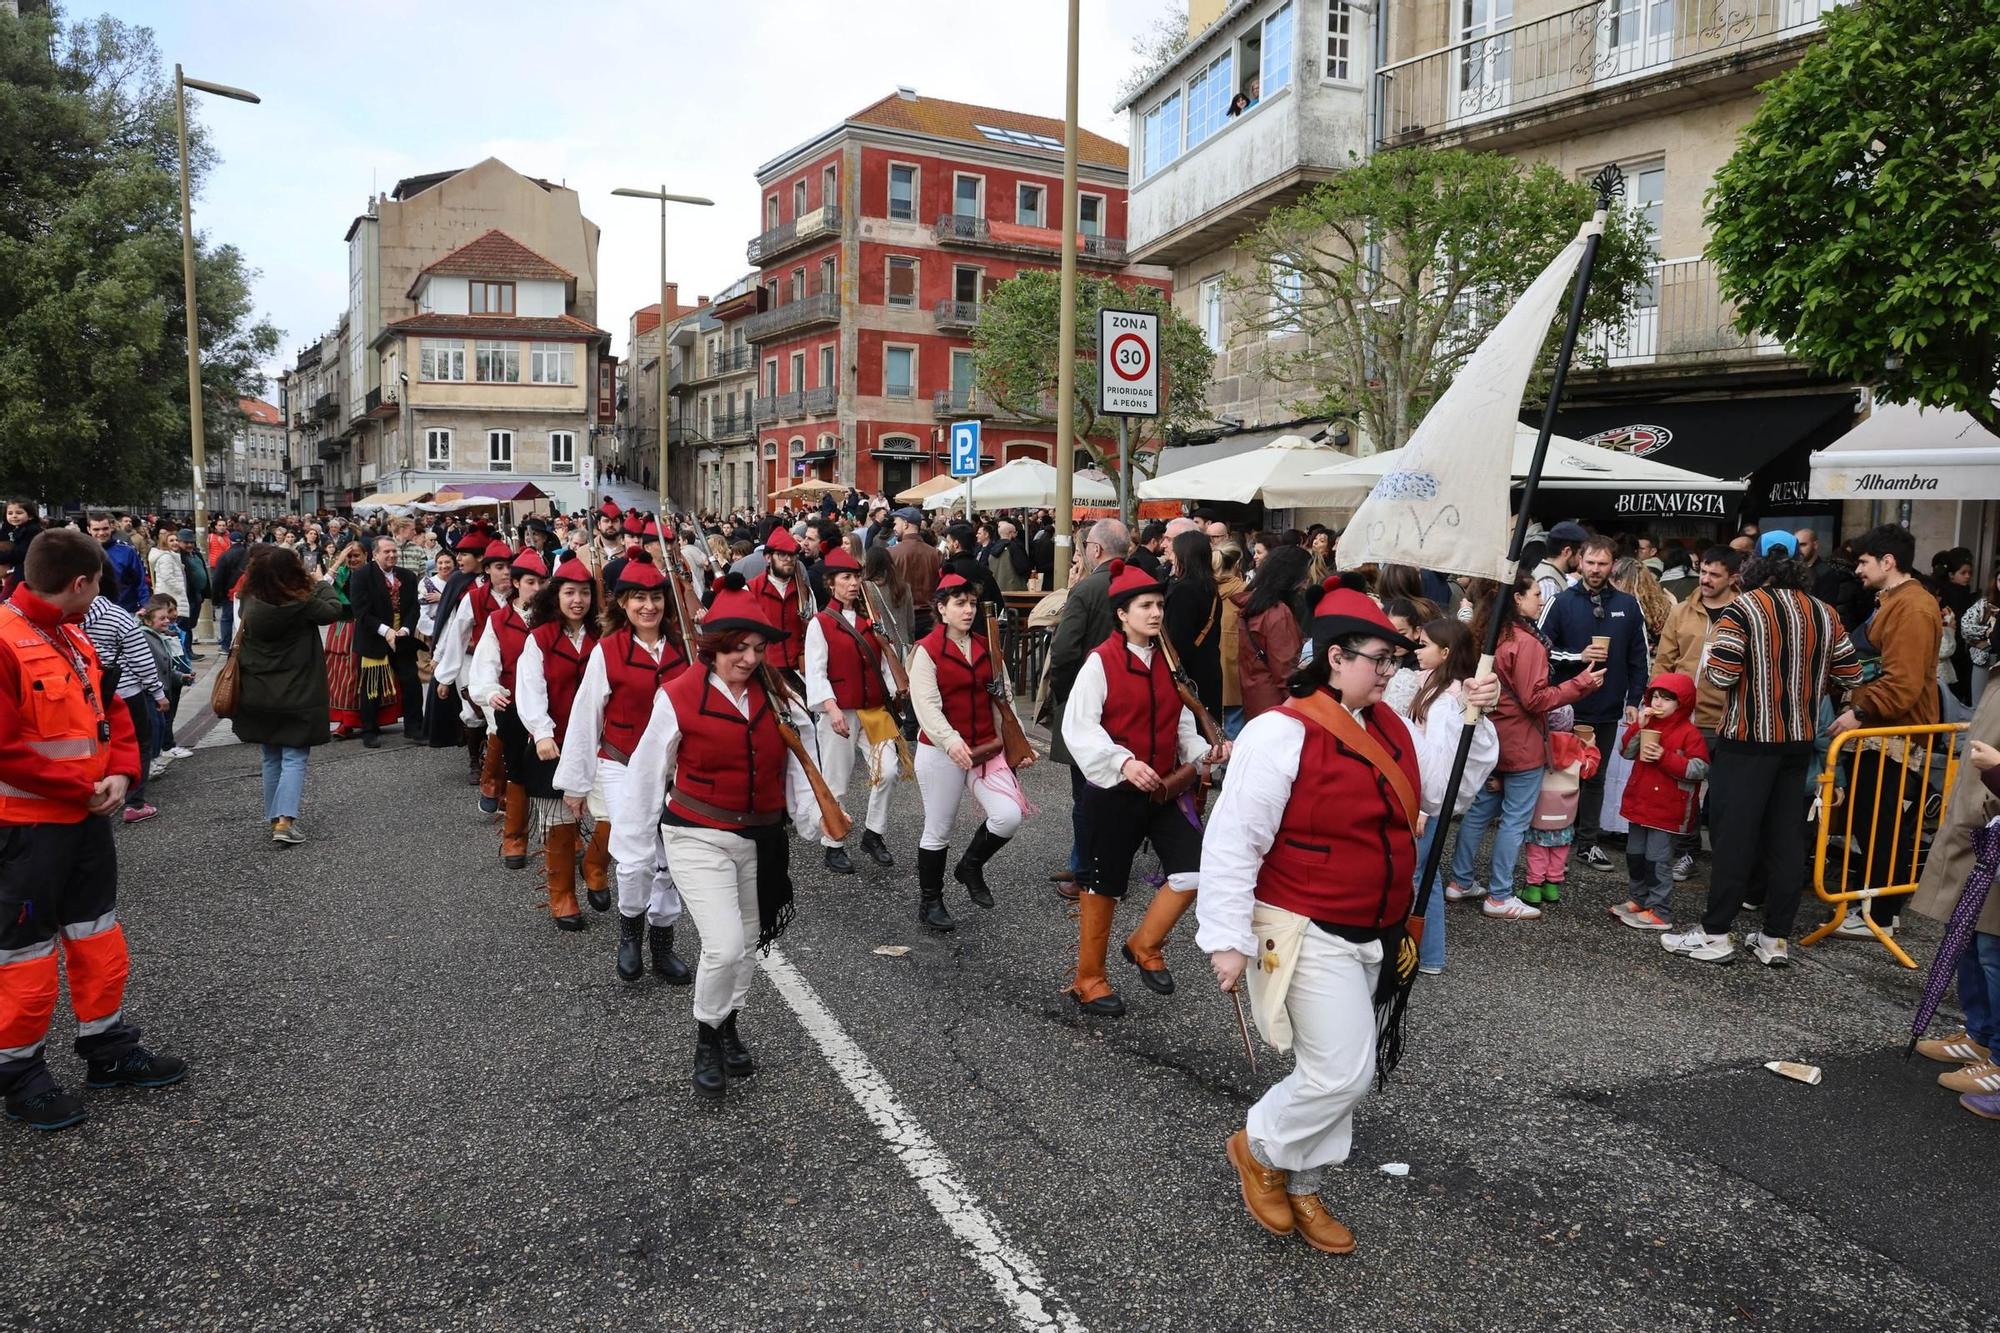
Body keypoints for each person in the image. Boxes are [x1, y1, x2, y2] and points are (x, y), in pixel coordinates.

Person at [1199, 585, 1496, 1254]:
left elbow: (1448, 794)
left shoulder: (1391, 723)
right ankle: (1259, 1146)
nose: (1392, 672)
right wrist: (1224, 936)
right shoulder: (1280, 729)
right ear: (1335, 656)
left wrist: (1475, 722)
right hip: (1303, 922)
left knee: (1338, 1062)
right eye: (1380, 659)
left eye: (1396, 659)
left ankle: (1304, 1179)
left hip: (1375, 925)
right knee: (1343, 1070)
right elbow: (1233, 837)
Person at [608, 575, 829, 1099]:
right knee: (725, 945)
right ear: (714, 647)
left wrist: (809, 817)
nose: (749, 659)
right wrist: (636, 847)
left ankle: (729, 1022)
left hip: (760, 838)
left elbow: (800, 760)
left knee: (749, 945)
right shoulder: (678, 696)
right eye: (738, 648)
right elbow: (645, 774)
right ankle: (707, 1036)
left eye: (757, 648)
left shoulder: (777, 695)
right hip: (696, 835)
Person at [0, 527, 182, 1132]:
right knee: (23, 958)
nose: (103, 590)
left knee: (96, 937)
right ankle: (20, 1074)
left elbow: (112, 717)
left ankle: (106, 1049)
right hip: (25, 832)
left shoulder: (73, 636)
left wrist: (125, 775)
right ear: (80, 584)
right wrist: (86, 788)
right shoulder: (6, 642)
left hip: (83, 821)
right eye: (99, 581)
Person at [1661, 553, 1859, 965]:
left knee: (1734, 837)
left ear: (1757, 578)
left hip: (1748, 739)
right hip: (1799, 739)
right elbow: (1851, 673)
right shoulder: (1824, 613)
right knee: (1786, 840)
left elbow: (1720, 675)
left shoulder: (1744, 607)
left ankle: (1715, 934)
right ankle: (1775, 939)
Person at [1062, 559, 1230, 1016]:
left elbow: (1180, 723)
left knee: (1196, 869)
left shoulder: (1168, 660)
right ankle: (1089, 979)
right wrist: (1122, 761)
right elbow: (1079, 728)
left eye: (1159, 605)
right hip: (1113, 791)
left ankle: (1143, 943)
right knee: (1103, 885)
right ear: (1122, 613)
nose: (1156, 613)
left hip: (1163, 790)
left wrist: (1201, 754)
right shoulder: (1101, 662)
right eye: (1145, 606)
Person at [556, 554, 693, 983]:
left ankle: (662, 943)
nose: (648, 607)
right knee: (635, 861)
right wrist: (575, 784)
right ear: (624, 604)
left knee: (669, 859)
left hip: (674, 771)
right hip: (620, 764)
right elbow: (585, 718)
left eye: (655, 598)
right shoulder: (607, 651)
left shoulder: (686, 649)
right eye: (638, 599)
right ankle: (630, 932)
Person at [1447, 570, 1603, 920]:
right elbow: (1536, 700)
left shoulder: (1486, 636)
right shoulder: (1526, 642)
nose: (1542, 599)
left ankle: (1459, 881)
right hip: (1522, 743)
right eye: (1535, 594)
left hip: (1490, 738)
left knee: (1478, 813)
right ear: (1516, 598)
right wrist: (1581, 683)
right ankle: (1500, 896)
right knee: (1514, 821)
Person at [1829, 524, 1941, 939]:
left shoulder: (1913, 607)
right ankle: (1873, 908)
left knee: (1881, 824)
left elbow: (1904, 682)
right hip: (1881, 731)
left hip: (1893, 733)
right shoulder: (1897, 600)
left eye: (1863, 561)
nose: (1857, 568)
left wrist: (1859, 710)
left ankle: (1879, 913)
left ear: (1887, 562)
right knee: (1870, 821)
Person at [907, 573, 1035, 931]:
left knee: (1008, 816)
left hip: (986, 746)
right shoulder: (926, 651)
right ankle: (930, 901)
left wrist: (1018, 741)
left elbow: (1004, 698)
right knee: (938, 829)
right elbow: (927, 707)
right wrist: (950, 741)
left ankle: (971, 865)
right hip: (941, 752)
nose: (968, 610)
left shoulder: (986, 644)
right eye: (959, 604)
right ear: (941, 609)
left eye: (972, 603)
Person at [1390, 616, 1498, 973]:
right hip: (1423, 795)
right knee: (1422, 872)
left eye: (1424, 645)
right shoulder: (1434, 686)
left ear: (1446, 651)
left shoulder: (1447, 700)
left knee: (1422, 874)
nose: (1417, 650)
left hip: (1426, 798)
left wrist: (1424, 807)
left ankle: (1428, 954)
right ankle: (1424, 952)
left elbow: (1444, 757)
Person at [1542, 534, 1650, 870]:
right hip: (1565, 705)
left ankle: (1587, 842)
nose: (1595, 569)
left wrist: (1635, 699)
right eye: (1590, 562)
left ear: (1612, 565)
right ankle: (1551, 837)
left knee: (1595, 776)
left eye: (1602, 563)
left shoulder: (1628, 605)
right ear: (1579, 560)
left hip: (1607, 704)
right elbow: (1540, 649)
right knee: (1559, 773)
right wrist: (1578, 655)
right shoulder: (1561, 601)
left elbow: (1640, 657)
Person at [804, 547, 906, 874]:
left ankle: (873, 833)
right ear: (830, 584)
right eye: (845, 577)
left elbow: (885, 664)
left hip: (874, 709)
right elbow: (816, 672)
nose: (852, 583)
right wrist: (831, 708)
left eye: (855, 576)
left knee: (888, 770)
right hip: (840, 711)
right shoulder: (820, 623)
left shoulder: (870, 621)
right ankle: (833, 844)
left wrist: (894, 689)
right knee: (836, 781)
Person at [234, 545, 344, 845]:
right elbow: (333, 610)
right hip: (298, 689)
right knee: (294, 755)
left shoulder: (248, 600)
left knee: (270, 755)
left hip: (258, 688)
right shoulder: (303, 601)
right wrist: (320, 582)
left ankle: (274, 817)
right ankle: (285, 822)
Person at [514, 556, 600, 931]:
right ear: (556, 596)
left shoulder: (604, 637)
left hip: (602, 741)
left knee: (613, 817)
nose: (577, 600)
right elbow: (530, 687)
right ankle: (562, 894)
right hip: (557, 740)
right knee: (559, 822)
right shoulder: (540, 639)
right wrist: (542, 732)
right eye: (569, 593)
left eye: (584, 593)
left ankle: (596, 865)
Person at [1047, 519, 1128, 892]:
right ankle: (1089, 864)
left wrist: (1064, 695)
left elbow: (1063, 650)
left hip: (1088, 699)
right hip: (1129, 698)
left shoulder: (1088, 589)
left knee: (1087, 792)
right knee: (1114, 786)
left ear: (1095, 549)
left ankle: (1087, 873)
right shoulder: (1138, 583)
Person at [1650, 546, 1741, 880]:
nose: (1705, 579)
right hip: (1686, 717)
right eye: (1703, 571)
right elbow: (1664, 661)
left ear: (1734, 578)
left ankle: (1724, 858)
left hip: (1728, 718)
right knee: (1684, 791)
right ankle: (1687, 851)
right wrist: (1657, 701)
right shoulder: (1683, 611)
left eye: (1715, 574)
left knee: (1724, 795)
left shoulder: (1744, 612)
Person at [467, 548, 549, 871]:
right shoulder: (498, 621)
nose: (538, 588)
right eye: (531, 582)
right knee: (516, 769)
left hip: (548, 706)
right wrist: (490, 691)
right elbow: (485, 664)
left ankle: (563, 834)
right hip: (512, 704)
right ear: (516, 583)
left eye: (543, 581)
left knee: (555, 771)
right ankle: (514, 836)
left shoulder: (553, 618)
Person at [1606, 674, 1709, 931]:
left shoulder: (1690, 733)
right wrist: (1638, 726)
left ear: (1682, 703)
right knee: (1635, 856)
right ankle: (1638, 899)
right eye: (1655, 696)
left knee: (1657, 861)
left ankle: (1660, 911)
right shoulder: (1648, 723)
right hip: (1640, 803)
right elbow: (1626, 751)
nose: (1658, 702)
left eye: (1667, 698)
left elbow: (1699, 769)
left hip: (1668, 809)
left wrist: (1665, 757)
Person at [435, 542, 516, 812]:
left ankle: (510, 787)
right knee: (494, 722)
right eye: (499, 567)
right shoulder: (475, 598)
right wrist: (445, 677)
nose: (506, 573)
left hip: (518, 670)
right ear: (488, 570)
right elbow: (456, 637)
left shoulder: (525, 596)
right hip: (483, 668)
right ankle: (492, 784)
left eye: (509, 567)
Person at [83, 576, 166, 824]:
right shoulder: (117, 616)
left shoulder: (69, 618)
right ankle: (134, 802)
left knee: (100, 742)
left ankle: (103, 792)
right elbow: (141, 657)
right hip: (127, 690)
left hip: (90, 693)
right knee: (139, 741)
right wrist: (158, 691)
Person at [1521, 708, 1598, 912]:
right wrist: (1591, 748)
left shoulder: (1537, 744)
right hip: (1566, 812)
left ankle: (1534, 888)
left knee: (1537, 850)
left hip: (1539, 810)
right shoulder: (1578, 749)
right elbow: (1589, 770)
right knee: (1560, 849)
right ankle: (1552, 887)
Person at [349, 536, 421, 748]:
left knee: (412, 682)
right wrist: (387, 631)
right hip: (374, 637)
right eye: (387, 552)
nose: (392, 555)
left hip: (401, 637)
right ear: (375, 554)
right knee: (372, 687)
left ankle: (415, 728)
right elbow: (361, 612)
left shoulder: (407, 576)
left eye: (394, 552)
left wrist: (405, 630)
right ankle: (369, 730)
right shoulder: (362, 576)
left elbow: (414, 608)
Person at [1233, 544, 1313, 721]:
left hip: (1254, 694)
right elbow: (1285, 671)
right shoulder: (1277, 612)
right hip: (1276, 702)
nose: (1307, 580)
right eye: (1305, 574)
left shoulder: (1253, 604)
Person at [1164, 528, 1224, 718]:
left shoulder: (1183, 591)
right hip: (1209, 669)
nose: (1172, 557)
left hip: (1188, 675)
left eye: (1175, 552)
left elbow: (1177, 639)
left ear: (1185, 555)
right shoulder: (1212, 589)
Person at [747, 525, 813, 680]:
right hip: (764, 672)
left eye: (792, 555)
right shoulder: (750, 590)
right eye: (782, 555)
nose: (789, 560)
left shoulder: (804, 591)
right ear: (768, 557)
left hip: (799, 672)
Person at [321, 541, 370, 740]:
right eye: (349, 557)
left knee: (356, 674)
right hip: (341, 627)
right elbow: (323, 586)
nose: (352, 560)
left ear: (366, 555)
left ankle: (355, 720)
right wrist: (339, 561)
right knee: (338, 674)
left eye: (356, 555)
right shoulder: (341, 573)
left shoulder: (371, 573)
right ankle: (344, 720)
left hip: (363, 627)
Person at [888, 508, 944, 636]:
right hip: (930, 617)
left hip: (902, 616)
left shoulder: (891, 553)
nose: (894, 527)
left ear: (906, 524)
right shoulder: (935, 554)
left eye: (896, 523)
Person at [1215, 545, 1248, 738]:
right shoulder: (1245, 592)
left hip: (1212, 665)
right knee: (1235, 721)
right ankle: (1230, 766)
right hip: (1237, 666)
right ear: (1237, 564)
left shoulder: (1205, 589)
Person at [85, 511, 148, 613]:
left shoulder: (127, 551)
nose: (101, 533)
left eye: (105, 528)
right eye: (96, 529)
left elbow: (141, 581)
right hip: (92, 613)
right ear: (89, 530)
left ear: (111, 527)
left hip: (125, 610)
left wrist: (145, 606)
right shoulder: (81, 552)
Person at [1960, 568, 2000, 705]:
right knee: (1979, 704)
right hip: (1983, 658)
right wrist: (1987, 631)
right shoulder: (1984, 603)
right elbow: (1965, 626)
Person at [1532, 520, 1588, 617]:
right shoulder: (1549, 583)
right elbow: (1546, 624)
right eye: (1580, 554)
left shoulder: (1551, 576)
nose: (1581, 559)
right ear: (1567, 552)